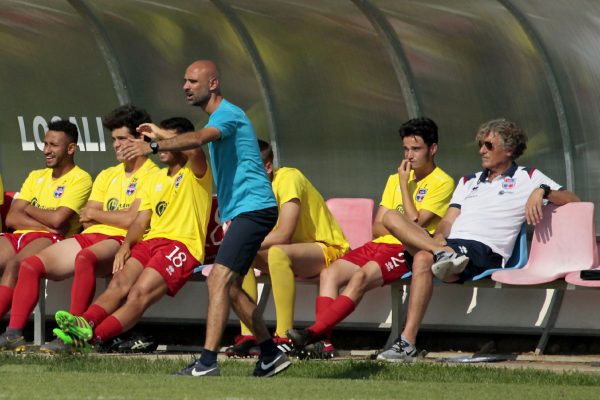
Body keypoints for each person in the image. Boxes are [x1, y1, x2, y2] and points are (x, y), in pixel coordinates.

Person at [119, 60, 290, 377]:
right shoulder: (219, 116)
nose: (185, 86)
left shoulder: (228, 114)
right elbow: (193, 139)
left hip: (254, 209)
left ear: (213, 83)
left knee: (217, 279)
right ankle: (270, 354)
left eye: (193, 81)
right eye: (183, 80)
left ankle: (208, 362)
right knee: (233, 288)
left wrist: (154, 144)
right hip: (244, 211)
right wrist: (159, 133)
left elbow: (198, 140)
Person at [375, 118, 580, 361]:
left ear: (510, 150)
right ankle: (407, 342)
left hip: (484, 249)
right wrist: (439, 238)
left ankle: (408, 340)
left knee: (422, 257)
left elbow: (573, 199)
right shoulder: (467, 181)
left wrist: (542, 190)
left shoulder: (529, 177)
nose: (482, 150)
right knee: (393, 221)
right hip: (451, 248)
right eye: (480, 145)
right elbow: (448, 221)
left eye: (489, 146)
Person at [286, 117, 455, 358]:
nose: (409, 156)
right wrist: (397, 221)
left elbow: (416, 223)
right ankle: (323, 343)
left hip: (404, 250)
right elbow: (377, 227)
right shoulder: (393, 180)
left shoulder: (443, 182)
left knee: (361, 277)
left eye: (416, 149)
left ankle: (313, 333)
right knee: (329, 273)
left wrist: (405, 188)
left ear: (433, 149)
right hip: (377, 245)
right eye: (406, 149)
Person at [0, 106, 158, 352]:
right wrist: (101, 216)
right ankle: (13, 334)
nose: (116, 145)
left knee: (85, 258)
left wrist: (100, 215)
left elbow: (131, 221)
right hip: (93, 235)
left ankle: (70, 335)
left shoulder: (152, 174)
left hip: (122, 240)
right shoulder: (107, 174)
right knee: (30, 266)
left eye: (122, 139)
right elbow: (86, 219)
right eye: (113, 140)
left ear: (142, 140)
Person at [52, 116, 212, 353]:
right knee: (118, 283)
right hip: (151, 241)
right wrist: (127, 245)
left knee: (139, 293)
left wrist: (160, 136)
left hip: (182, 245)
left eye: (164, 141)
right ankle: (82, 325)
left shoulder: (196, 172)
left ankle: (92, 339)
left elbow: (195, 148)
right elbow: (142, 218)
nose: (158, 146)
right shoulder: (156, 177)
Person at [226, 139, 350, 358]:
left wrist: (243, 240)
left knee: (275, 251)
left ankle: (284, 336)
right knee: (241, 253)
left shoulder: (288, 178)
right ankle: (250, 335)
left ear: (267, 167)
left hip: (327, 249)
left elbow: (284, 233)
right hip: (292, 252)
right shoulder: (250, 190)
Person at [0, 120, 92, 350]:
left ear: (71, 149)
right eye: (45, 144)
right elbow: (11, 218)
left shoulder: (81, 178)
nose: (46, 150)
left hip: (50, 239)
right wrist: (42, 215)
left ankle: (13, 334)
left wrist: (27, 207)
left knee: (17, 264)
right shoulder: (36, 175)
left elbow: (59, 221)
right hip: (22, 234)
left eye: (54, 145)